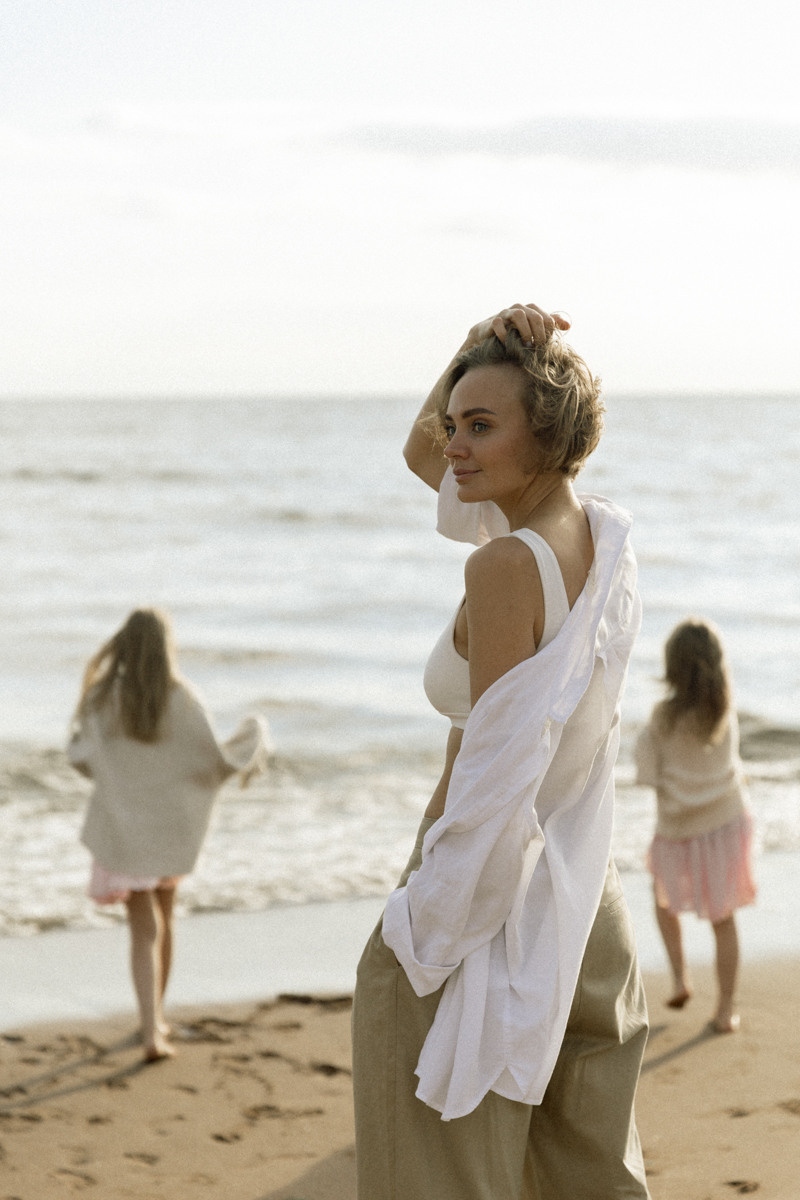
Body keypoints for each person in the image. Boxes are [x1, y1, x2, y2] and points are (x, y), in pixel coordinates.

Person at [352, 303, 651, 1198]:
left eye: (480, 426)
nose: (453, 446)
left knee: (434, 1173)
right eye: (454, 423)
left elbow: (491, 774)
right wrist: (478, 345)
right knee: (589, 1174)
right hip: (586, 895)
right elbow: (423, 453)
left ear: (548, 434)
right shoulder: (602, 539)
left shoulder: (504, 565)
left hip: (495, 884)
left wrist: (425, 927)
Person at [68, 607, 271, 1061]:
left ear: (124, 646)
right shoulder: (182, 697)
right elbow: (209, 760)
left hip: (125, 833)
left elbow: (81, 757)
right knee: (165, 920)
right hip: (170, 830)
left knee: (144, 931)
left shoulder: (102, 698)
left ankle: (151, 1026)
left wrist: (117, 774)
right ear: (166, 648)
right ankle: (154, 1023)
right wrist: (251, 737)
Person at [635, 618, 756, 1034]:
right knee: (723, 917)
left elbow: (646, 775)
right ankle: (725, 1010)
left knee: (662, 900)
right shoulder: (724, 712)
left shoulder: (662, 718)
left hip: (677, 829)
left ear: (672, 667)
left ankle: (679, 978)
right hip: (725, 824)